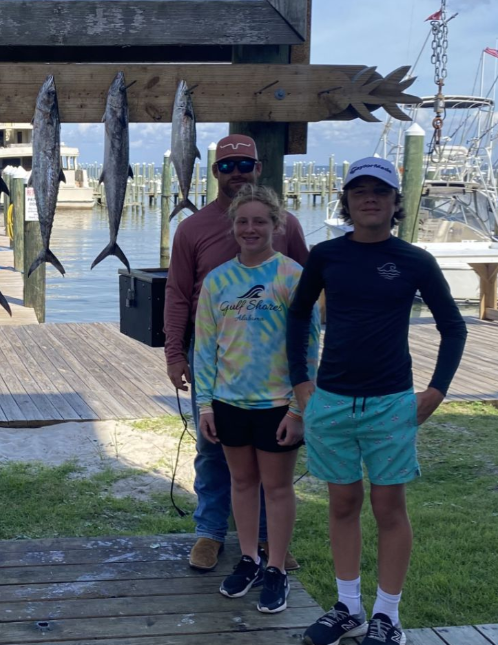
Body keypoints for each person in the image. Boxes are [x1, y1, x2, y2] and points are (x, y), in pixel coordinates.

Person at [288, 157, 467, 645]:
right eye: (359, 191)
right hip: (331, 401)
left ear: (395, 202)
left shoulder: (414, 261)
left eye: (381, 191)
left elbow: (453, 326)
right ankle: (349, 608)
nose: (370, 198)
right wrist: (301, 383)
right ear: (345, 202)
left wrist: (437, 390)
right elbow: (298, 314)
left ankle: (387, 615)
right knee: (342, 502)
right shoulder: (326, 256)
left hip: (391, 401)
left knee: (389, 506)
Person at [164, 134, 310, 572]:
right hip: (215, 360)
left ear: (258, 167)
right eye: (227, 167)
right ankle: (209, 533)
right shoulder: (191, 228)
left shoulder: (289, 227)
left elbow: (310, 297)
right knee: (212, 450)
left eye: (244, 164)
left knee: (273, 458)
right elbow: (177, 295)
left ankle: (268, 541)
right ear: (215, 173)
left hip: (275, 369)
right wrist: (175, 354)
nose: (237, 173)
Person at [193, 185, 319, 614]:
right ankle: (249, 558)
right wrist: (206, 404)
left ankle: (277, 568)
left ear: (276, 225)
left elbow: (311, 345)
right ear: (233, 227)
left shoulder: (291, 276)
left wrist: (300, 407)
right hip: (229, 402)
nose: (250, 229)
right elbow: (205, 346)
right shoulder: (217, 281)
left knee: (278, 488)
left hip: (279, 404)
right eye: (242, 221)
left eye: (259, 221)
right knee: (241, 484)